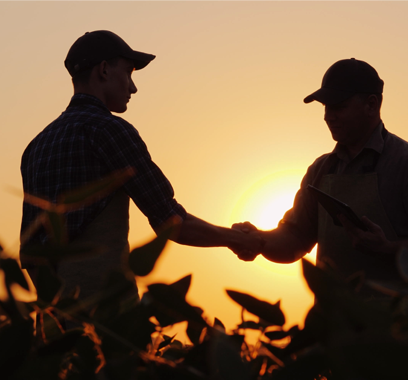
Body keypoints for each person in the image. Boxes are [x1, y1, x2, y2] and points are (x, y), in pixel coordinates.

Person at [20, 30, 260, 302]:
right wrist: (237, 240)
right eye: (129, 72)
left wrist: (57, 310)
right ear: (104, 70)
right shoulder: (109, 131)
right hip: (107, 319)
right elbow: (171, 221)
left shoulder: (35, 147)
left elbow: (30, 252)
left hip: (53, 326)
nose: (133, 87)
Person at [233, 58, 408, 291]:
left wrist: (388, 248)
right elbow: (294, 241)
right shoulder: (319, 170)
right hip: (334, 322)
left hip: (399, 322)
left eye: (338, 106)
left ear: (371, 104)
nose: (328, 116)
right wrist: (257, 240)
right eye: (325, 107)